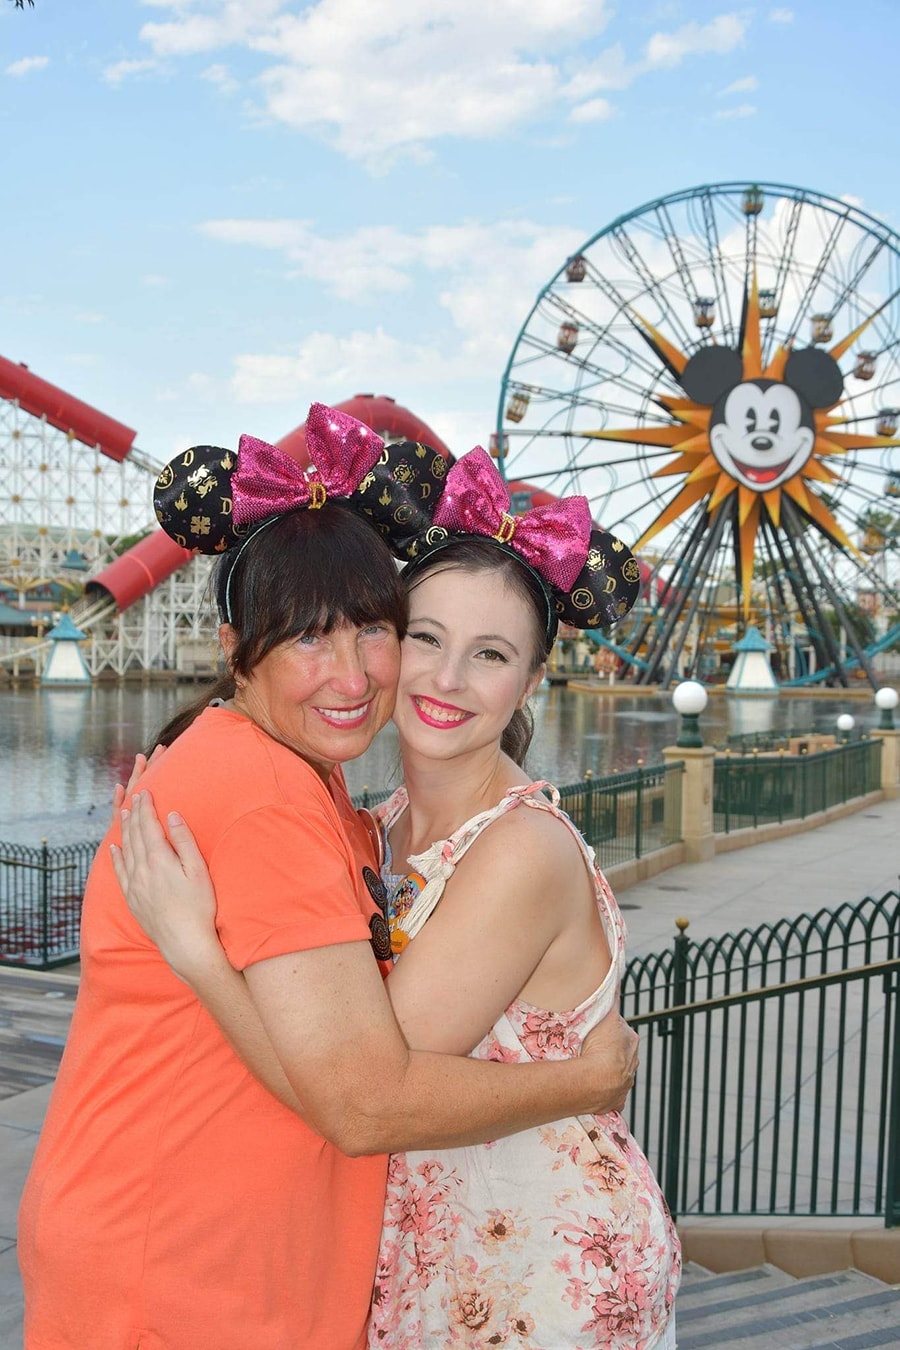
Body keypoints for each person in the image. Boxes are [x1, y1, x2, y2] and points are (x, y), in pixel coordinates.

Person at [18, 408, 639, 1350]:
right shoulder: (307, 801)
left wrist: (200, 959)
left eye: (373, 632)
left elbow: (362, 1099)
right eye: (423, 636)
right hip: (199, 1274)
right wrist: (583, 1080)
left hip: (508, 1270)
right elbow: (368, 1102)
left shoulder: (366, 806)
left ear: (532, 679)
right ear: (236, 652)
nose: (364, 675)